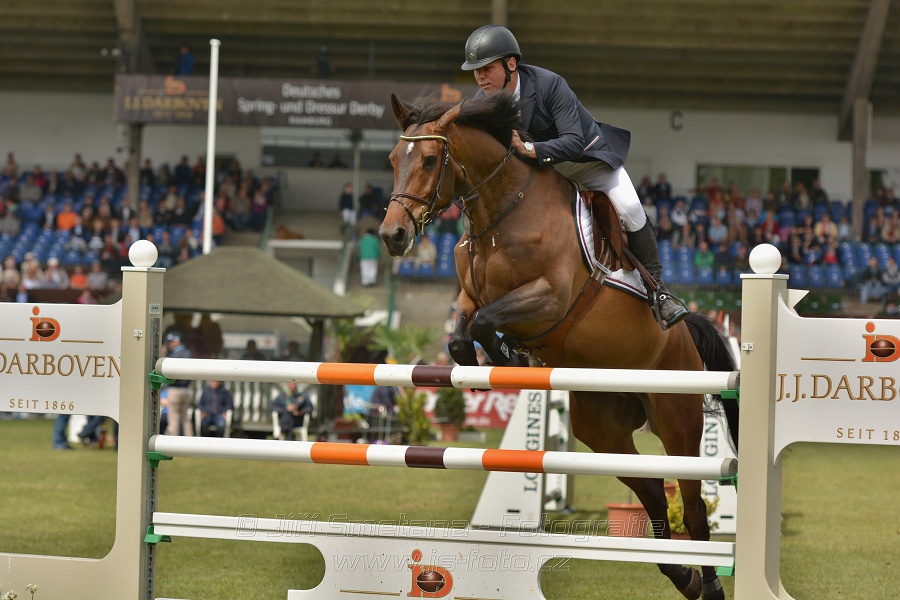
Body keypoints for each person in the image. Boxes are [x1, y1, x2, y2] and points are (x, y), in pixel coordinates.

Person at [459, 24, 689, 328]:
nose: (480, 77)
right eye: (475, 71)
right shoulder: (481, 103)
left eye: (486, 68)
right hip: (544, 175)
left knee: (632, 209)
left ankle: (659, 293)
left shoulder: (549, 84)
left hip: (587, 162)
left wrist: (529, 149)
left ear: (510, 64)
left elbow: (573, 141)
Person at [163, 332, 194, 436]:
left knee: (173, 419)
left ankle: (172, 444)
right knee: (186, 419)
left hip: (174, 389)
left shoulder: (173, 355)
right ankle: (189, 443)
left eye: (170, 342)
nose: (169, 344)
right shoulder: (188, 353)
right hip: (186, 389)